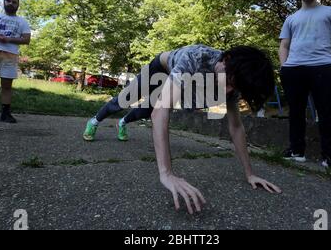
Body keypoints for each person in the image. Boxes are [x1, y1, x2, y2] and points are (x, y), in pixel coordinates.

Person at [83, 44, 282, 214]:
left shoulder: (234, 76)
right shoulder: (196, 58)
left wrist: (249, 174)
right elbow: (161, 113)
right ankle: (95, 120)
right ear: (226, 60)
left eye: (235, 89)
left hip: (187, 80)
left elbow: (236, 127)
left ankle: (123, 122)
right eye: (228, 83)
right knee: (126, 99)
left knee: (148, 109)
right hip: (160, 68)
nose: (228, 92)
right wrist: (166, 173)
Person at [278, 0, 331, 170]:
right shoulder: (291, 18)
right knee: (296, 113)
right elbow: (284, 45)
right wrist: (284, 67)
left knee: (326, 112)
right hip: (293, 69)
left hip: (323, 67)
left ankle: (330, 157)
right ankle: (296, 151)